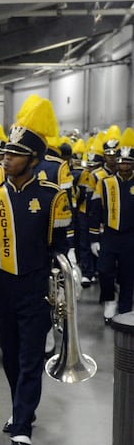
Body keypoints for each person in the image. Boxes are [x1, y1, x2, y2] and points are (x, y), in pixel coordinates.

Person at [0, 96, 72, 445]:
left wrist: (66, 283)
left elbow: (60, 245)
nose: (6, 158)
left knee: (30, 357)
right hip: (3, 289)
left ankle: (23, 426)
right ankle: (20, 406)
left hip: (36, 288)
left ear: (33, 160)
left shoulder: (52, 197)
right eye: (6, 152)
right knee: (11, 356)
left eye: (15, 153)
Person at [88, 136, 134, 321]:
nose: (123, 166)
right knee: (105, 270)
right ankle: (109, 300)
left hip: (131, 235)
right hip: (109, 234)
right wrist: (93, 238)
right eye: (121, 162)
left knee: (128, 273)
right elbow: (96, 210)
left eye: (128, 162)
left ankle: (124, 309)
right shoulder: (105, 183)